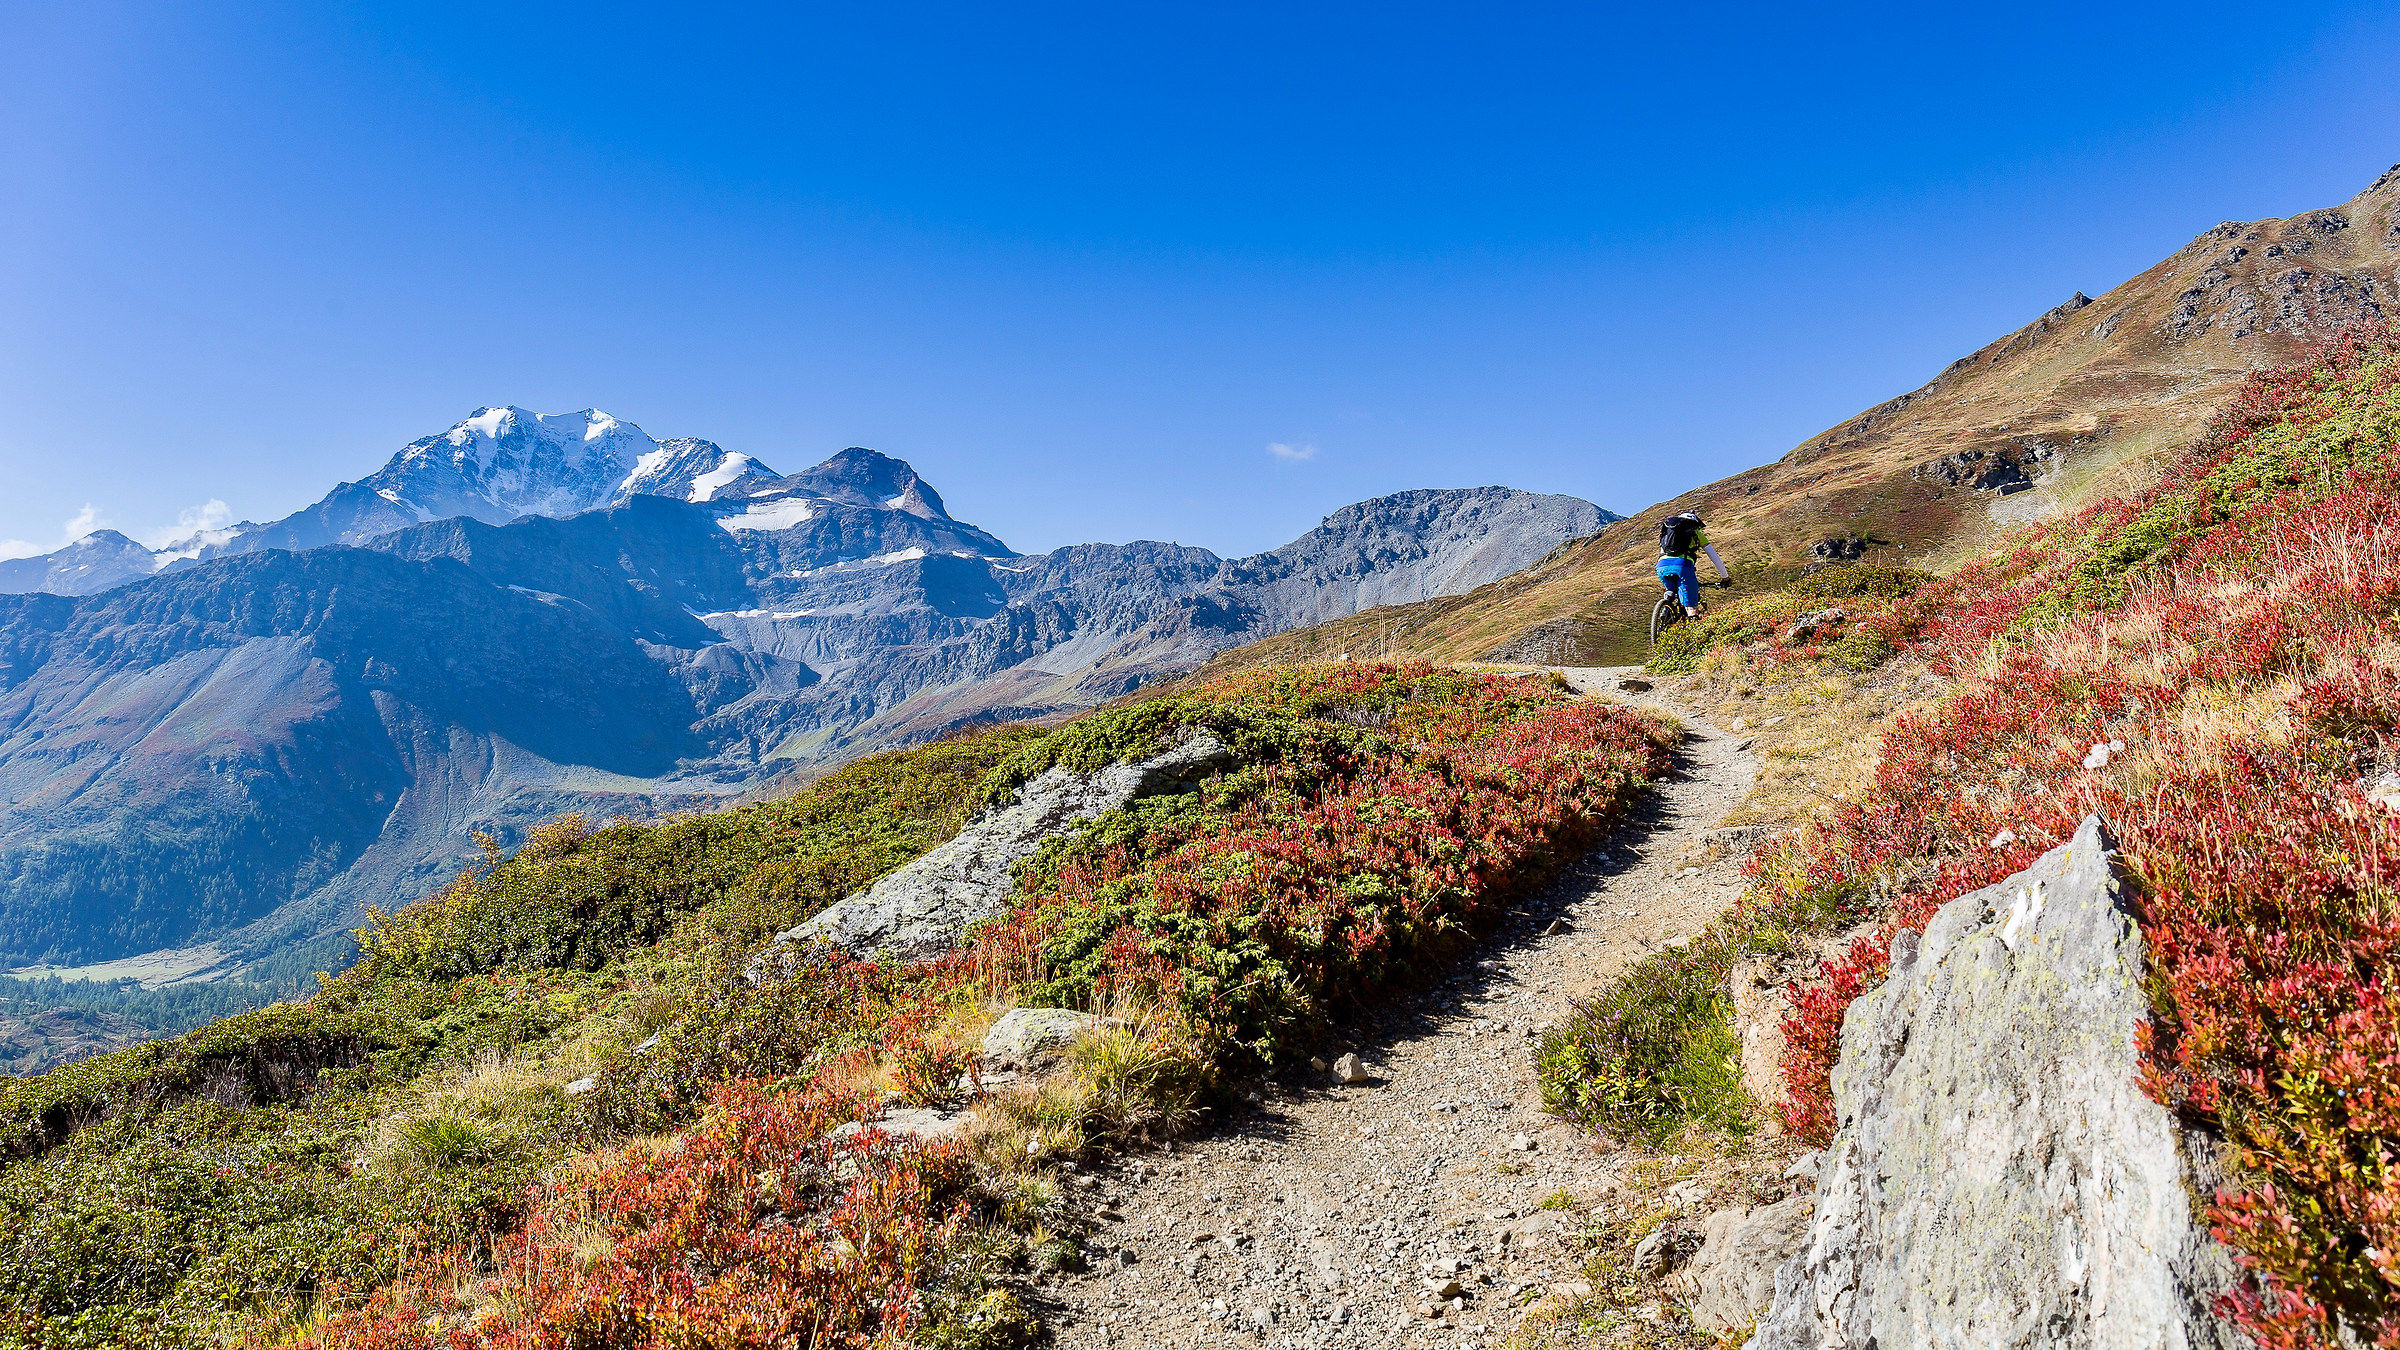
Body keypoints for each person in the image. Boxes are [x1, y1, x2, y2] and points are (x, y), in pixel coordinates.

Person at [1656, 510, 1730, 617]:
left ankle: (1666, 607)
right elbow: (1714, 557)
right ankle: (1692, 620)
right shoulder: (1695, 534)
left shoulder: (1667, 534)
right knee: (1691, 607)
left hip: (1661, 566)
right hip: (1682, 566)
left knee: (1672, 591)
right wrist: (1725, 577)